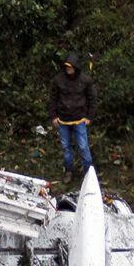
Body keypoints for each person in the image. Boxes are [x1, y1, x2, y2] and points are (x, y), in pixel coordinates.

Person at [49, 52, 97, 183]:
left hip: (79, 120)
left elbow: (92, 99)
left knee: (83, 147)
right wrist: (53, 117)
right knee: (66, 148)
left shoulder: (85, 80)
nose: (68, 69)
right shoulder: (58, 80)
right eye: (66, 66)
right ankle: (69, 171)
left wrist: (89, 117)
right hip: (63, 120)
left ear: (76, 67)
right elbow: (53, 99)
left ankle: (89, 175)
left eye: (70, 66)